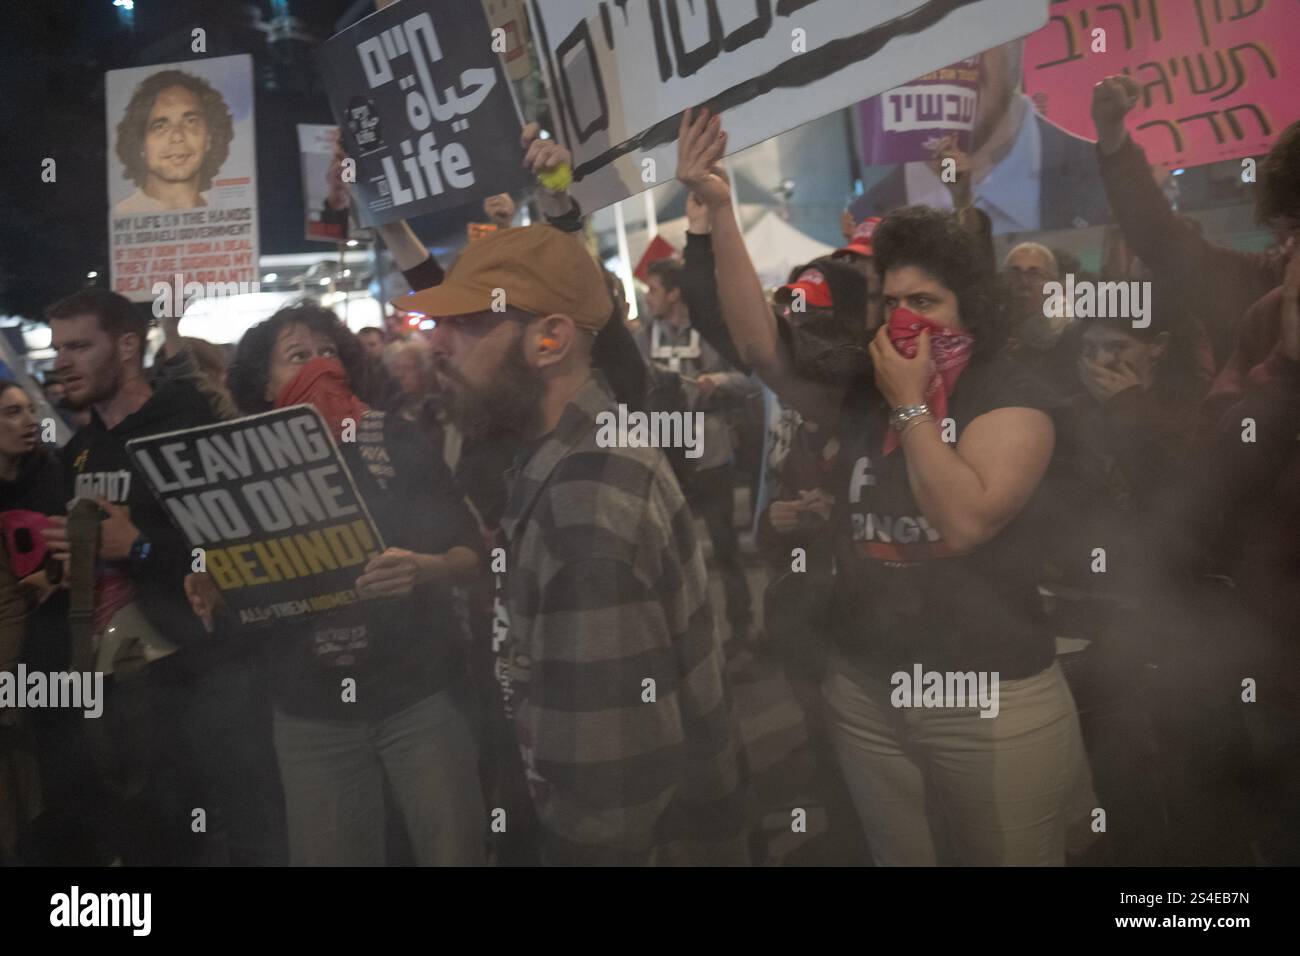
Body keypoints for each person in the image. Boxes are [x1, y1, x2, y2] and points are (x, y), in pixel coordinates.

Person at [679, 107, 1091, 865]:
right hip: (867, 689)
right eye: (891, 304)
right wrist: (721, 212)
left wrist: (911, 403)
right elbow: (759, 350)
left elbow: (965, 521)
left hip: (987, 699)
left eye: (926, 304)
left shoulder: (1013, 398)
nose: (904, 321)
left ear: (970, 312)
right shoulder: (865, 388)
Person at [407, 221, 749, 866]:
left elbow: (608, 799)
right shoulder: (567, 455)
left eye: (466, 323)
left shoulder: (583, 508)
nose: (439, 345)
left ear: (550, 339)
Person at [204, 302, 487, 867]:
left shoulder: (392, 437)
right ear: (264, 383)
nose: (320, 365)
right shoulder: (238, 467)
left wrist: (424, 568)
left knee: (452, 849)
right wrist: (211, 579)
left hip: (417, 698)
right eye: (298, 356)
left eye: (329, 351)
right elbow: (233, 572)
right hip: (311, 715)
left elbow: (473, 553)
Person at [39, 288, 284, 865]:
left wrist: (140, 549)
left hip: (214, 680)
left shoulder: (186, 425)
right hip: (134, 698)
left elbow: (246, 552)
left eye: (78, 345)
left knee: (246, 836)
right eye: (56, 347)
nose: (60, 361)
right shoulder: (83, 452)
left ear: (127, 346)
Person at [1091, 75, 1299, 384]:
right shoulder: (1254, 285)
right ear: (1280, 228)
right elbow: (1159, 236)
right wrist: (1113, 136)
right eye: (1295, 224)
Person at [854, 40, 1109, 234]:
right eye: (921, 29)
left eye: (972, 19)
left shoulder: (1112, 183)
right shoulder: (862, 224)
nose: (949, 62)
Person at [637, 257, 759, 645]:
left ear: (674, 293)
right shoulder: (644, 339)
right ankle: (686, 639)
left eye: (654, 289)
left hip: (710, 450)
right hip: (665, 457)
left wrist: (717, 380)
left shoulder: (710, 332)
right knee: (670, 554)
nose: (648, 297)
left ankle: (741, 628)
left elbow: (749, 381)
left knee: (725, 547)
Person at [112, 69, 234, 214]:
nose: (177, 136)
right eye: (160, 126)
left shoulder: (222, 216)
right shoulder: (121, 215)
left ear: (209, 138)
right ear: (140, 145)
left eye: (191, 121)